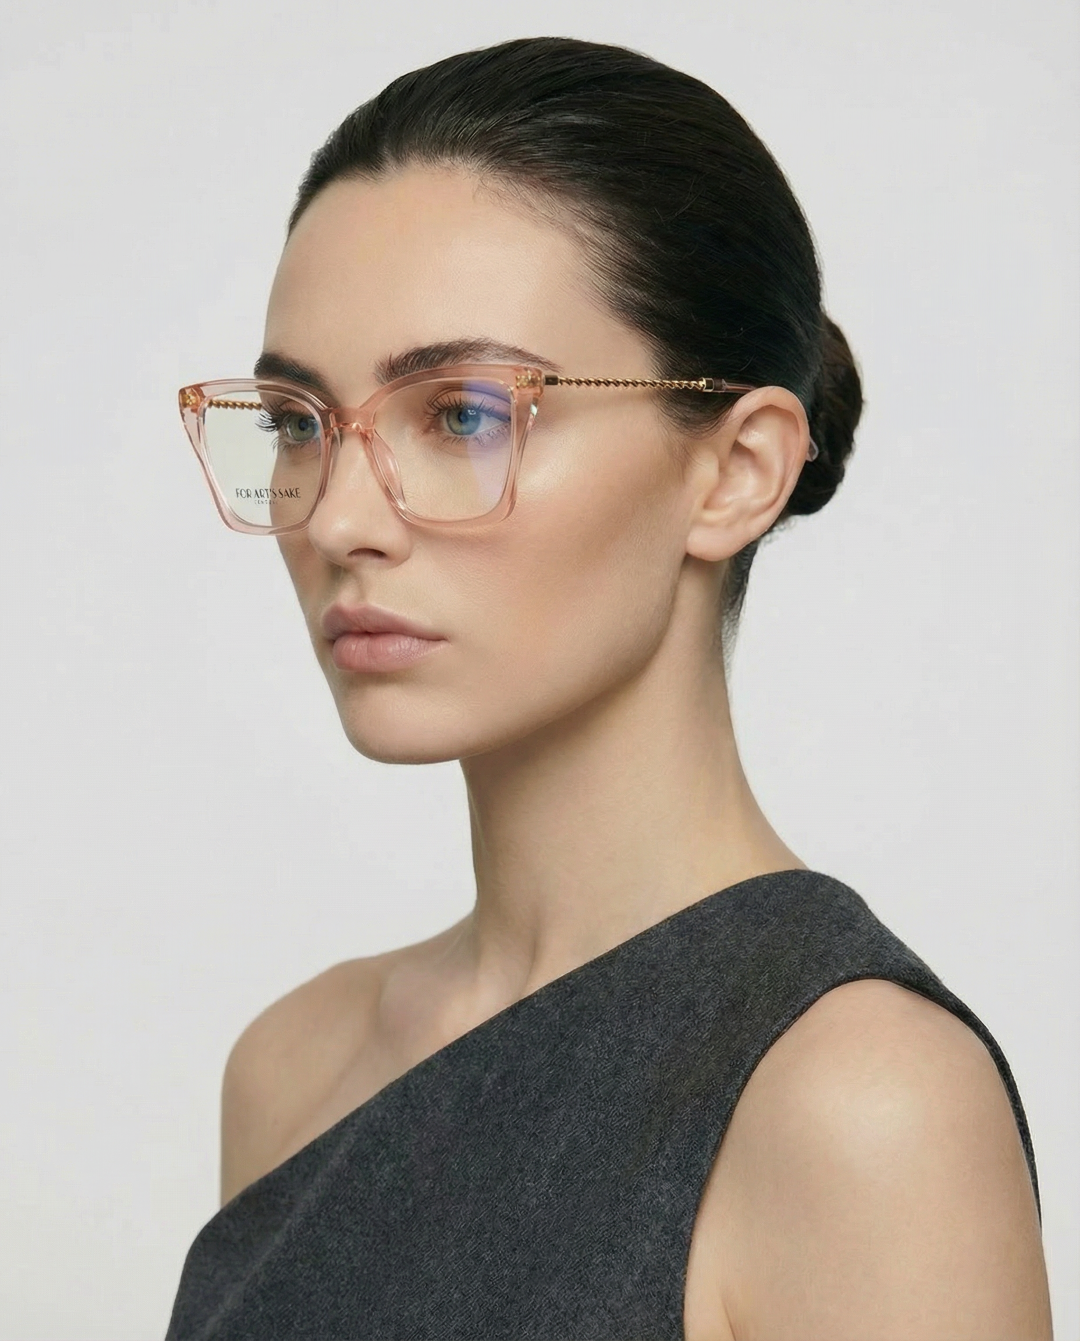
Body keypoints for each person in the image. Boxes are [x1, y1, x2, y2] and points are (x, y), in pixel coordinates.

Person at [165, 35, 1052, 1341]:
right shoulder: (295, 1069)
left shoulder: (853, 1105)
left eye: (463, 413)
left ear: (736, 470)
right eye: (301, 422)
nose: (342, 518)